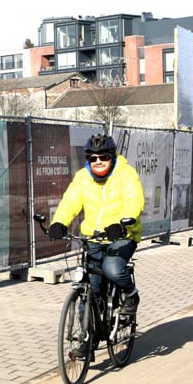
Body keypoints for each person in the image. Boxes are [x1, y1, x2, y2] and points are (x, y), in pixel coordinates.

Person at [48, 133, 145, 316]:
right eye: (93, 158)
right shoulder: (82, 177)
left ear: (112, 157)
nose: (98, 161)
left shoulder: (125, 174)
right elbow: (70, 202)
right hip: (94, 237)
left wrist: (122, 223)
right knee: (92, 283)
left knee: (112, 269)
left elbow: (134, 200)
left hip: (122, 235)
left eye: (104, 157)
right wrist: (59, 222)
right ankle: (88, 334)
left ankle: (130, 294)